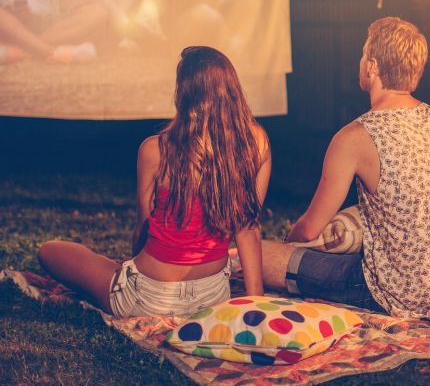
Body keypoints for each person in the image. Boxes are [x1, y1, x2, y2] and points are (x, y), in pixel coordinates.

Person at [260, 17, 430, 318]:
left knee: (257, 255)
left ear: (372, 66)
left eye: (363, 54)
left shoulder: (356, 136)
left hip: (401, 295)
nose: (361, 61)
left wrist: (288, 251)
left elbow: (309, 229)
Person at [38, 46, 271, 316]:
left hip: (149, 297)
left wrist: (132, 266)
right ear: (231, 88)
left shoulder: (155, 149)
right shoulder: (256, 143)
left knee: (50, 251)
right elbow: (248, 229)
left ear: (183, 93)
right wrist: (257, 308)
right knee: (106, 265)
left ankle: (121, 277)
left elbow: (144, 225)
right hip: (213, 296)